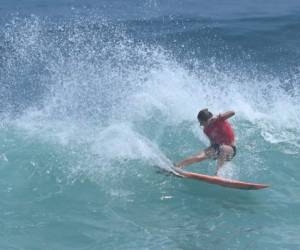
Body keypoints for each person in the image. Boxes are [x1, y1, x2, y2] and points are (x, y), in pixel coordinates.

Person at [175, 108, 236, 176]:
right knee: (198, 157)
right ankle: (177, 167)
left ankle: (218, 174)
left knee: (223, 148)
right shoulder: (206, 130)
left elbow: (232, 112)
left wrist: (218, 116)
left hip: (230, 149)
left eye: (201, 122)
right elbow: (213, 143)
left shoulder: (219, 120)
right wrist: (209, 153)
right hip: (217, 148)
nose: (201, 125)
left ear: (207, 120)